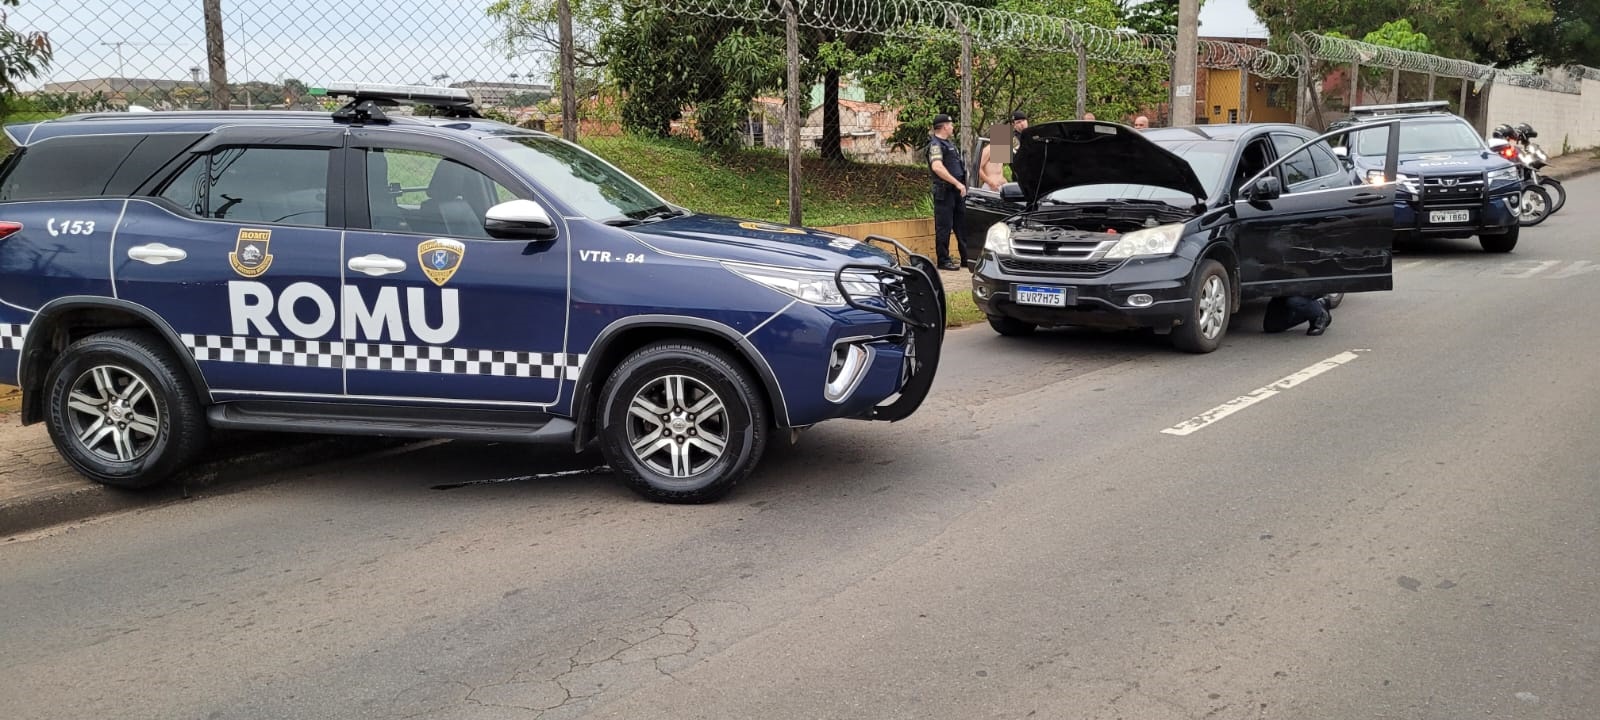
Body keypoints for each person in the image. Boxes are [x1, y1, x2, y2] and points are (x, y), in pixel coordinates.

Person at [927, 113, 968, 271]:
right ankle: (943, 260)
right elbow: (937, 167)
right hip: (945, 192)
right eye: (950, 125)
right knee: (944, 227)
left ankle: (966, 258)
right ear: (944, 126)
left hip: (957, 191)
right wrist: (956, 183)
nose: (952, 127)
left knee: (962, 225)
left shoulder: (949, 143)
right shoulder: (935, 145)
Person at [978, 110, 1029, 191]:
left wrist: (1004, 181)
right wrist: (990, 182)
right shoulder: (988, 150)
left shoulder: (999, 151)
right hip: (990, 186)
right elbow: (977, 168)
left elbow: (999, 170)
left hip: (1000, 186)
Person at [1263, 295, 1333, 336]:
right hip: (1282, 288)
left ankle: (1320, 311)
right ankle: (1306, 313)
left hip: (1300, 285)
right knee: (1271, 326)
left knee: (1293, 301)